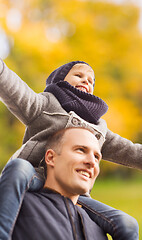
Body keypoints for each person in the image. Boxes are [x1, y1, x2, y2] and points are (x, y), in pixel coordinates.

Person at [0, 59, 140, 239]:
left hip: (76, 191)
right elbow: (13, 87)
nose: (86, 81)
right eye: (79, 75)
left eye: (91, 81)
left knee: (127, 223)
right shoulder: (44, 105)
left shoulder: (98, 128)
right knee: (18, 168)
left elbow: (130, 151)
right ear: (60, 80)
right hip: (35, 176)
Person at [12, 127, 108, 239]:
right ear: (51, 158)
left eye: (96, 157)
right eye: (81, 150)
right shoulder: (19, 206)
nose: (92, 162)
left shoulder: (98, 229)